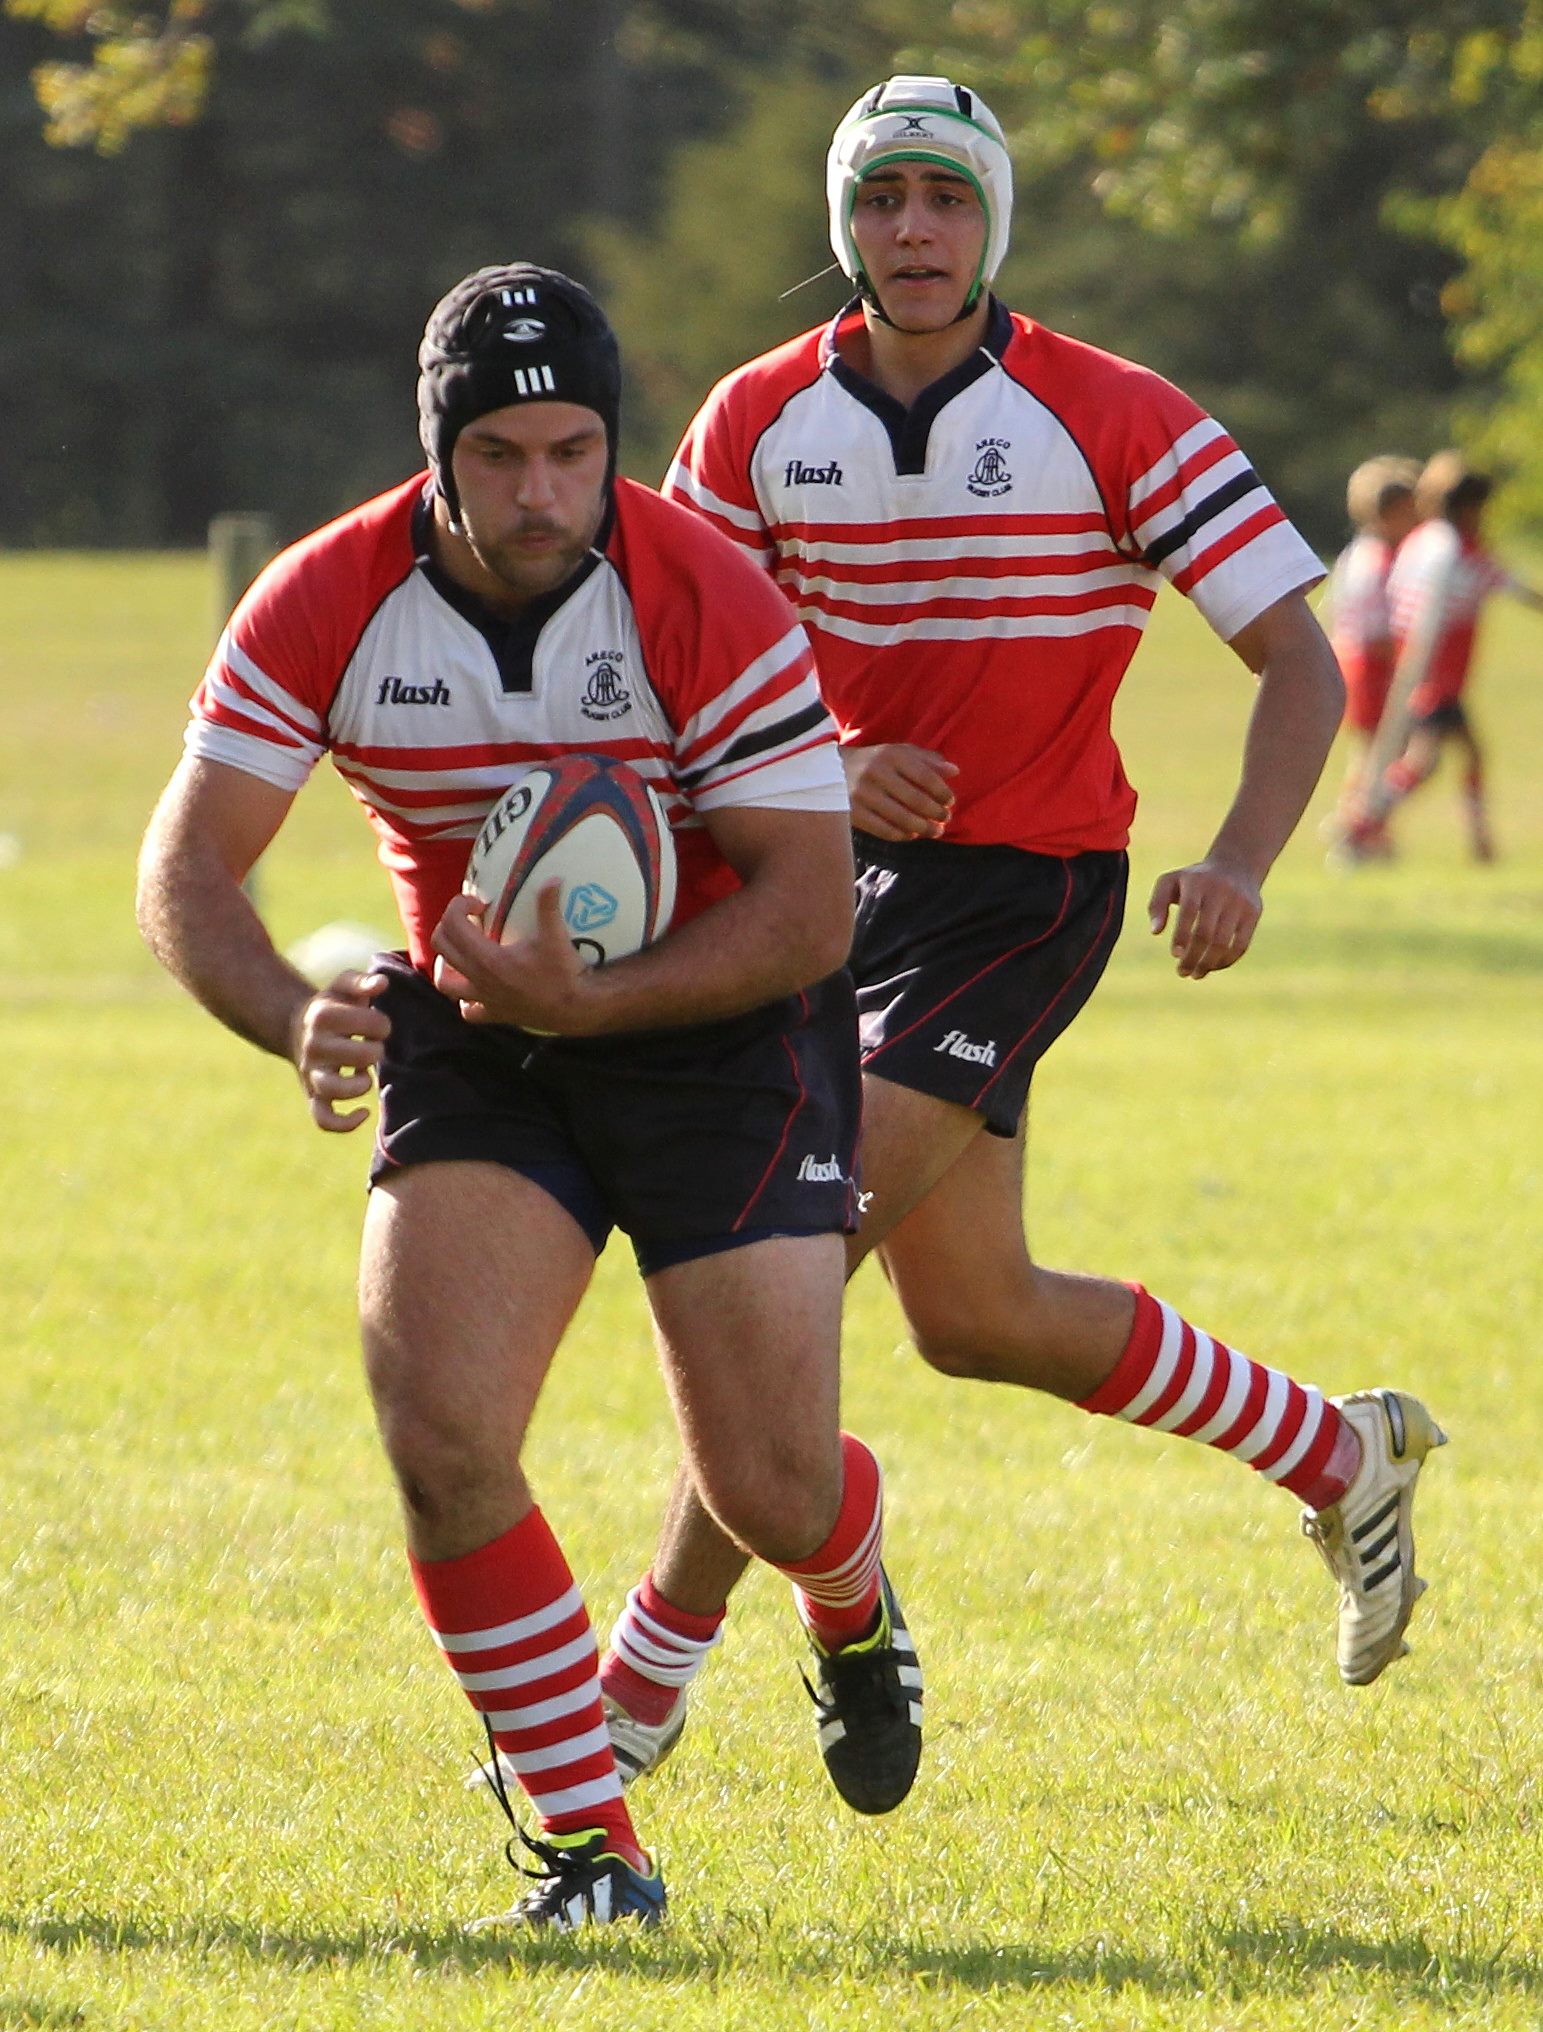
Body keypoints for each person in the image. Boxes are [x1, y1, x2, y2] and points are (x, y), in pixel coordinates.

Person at [581, 75, 1447, 1792]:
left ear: (991, 222)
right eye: (884, 199)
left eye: (944, 199)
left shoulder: (1111, 415)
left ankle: (635, 1682)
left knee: (786, 1263)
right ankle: (1338, 1453)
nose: (914, 229)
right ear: (847, 223)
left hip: (1023, 887)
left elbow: (1297, 657)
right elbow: (669, 676)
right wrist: (826, 757)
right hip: (820, 896)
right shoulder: (753, 426)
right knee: (969, 1311)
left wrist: (1244, 858)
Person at [134, 262, 925, 1931]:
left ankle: (846, 1594)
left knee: (770, 1488)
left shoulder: (696, 586)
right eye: (499, 454)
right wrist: (288, 1012)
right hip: (482, 1037)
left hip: (727, 1033)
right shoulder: (325, 599)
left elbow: (800, 900)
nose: (543, 491)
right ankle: (593, 1853)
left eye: (573, 449)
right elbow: (189, 866)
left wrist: (611, 995)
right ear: (437, 452)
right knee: (440, 1435)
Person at [1337, 449, 1543, 863]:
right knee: (1421, 761)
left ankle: (1479, 841)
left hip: (1418, 668)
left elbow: (1401, 599)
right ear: (1470, 508)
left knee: (1463, 753)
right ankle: (1360, 825)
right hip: (1438, 675)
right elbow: (1512, 588)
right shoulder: (1461, 550)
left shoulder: (1422, 541)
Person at [1322, 456, 1421, 855]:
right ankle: (1355, 825)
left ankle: (1366, 829)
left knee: (1371, 753)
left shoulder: (1357, 554)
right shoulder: (1378, 560)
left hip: (1354, 658)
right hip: (1370, 663)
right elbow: (1379, 624)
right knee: (1386, 751)